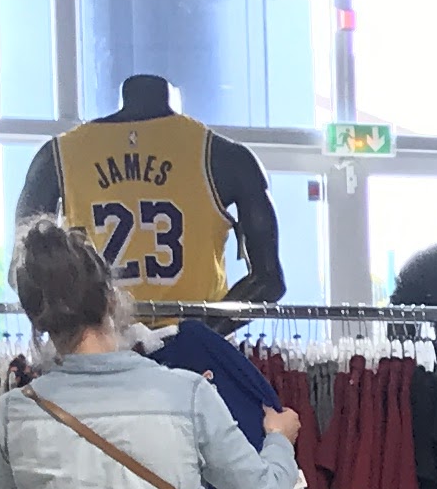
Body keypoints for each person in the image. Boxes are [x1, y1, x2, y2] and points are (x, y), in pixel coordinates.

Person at [0, 214, 305, 489]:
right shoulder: (187, 393)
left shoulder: (11, 414)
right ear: (111, 299)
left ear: (37, 321)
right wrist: (279, 439)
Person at [15, 75, 285, 312]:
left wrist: (74, 330)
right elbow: (269, 281)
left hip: (102, 336)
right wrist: (207, 333)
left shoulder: (58, 155)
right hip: (193, 336)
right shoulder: (226, 156)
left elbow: (23, 273)